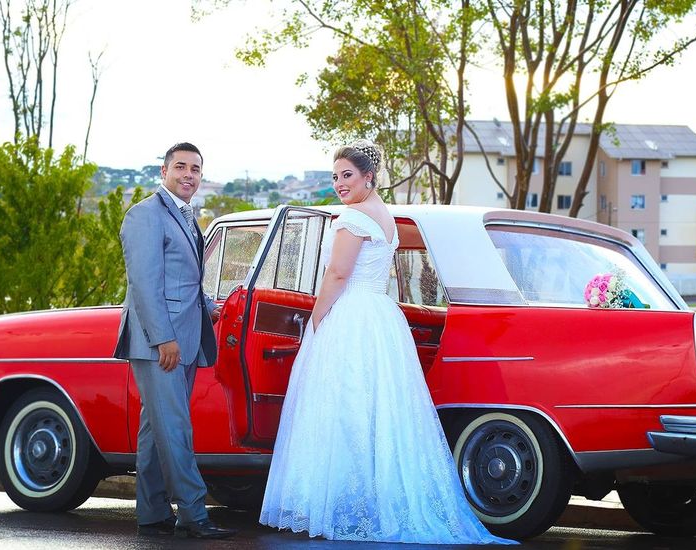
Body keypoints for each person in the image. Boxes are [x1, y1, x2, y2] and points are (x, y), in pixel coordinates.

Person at [259, 140, 515, 544]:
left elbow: (337, 276)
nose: (340, 183)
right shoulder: (386, 217)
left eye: (347, 175)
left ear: (368, 177)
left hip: (351, 314)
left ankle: (344, 502)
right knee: (380, 411)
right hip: (380, 314)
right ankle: (376, 498)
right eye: (335, 176)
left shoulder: (352, 218)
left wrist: (317, 318)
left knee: (344, 409)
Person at [113, 142, 236, 540]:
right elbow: (145, 284)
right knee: (177, 428)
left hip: (184, 336)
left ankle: (151, 513)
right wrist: (164, 339)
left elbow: (183, 278)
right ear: (163, 171)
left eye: (196, 169)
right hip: (160, 343)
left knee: (156, 429)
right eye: (180, 167)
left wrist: (208, 306)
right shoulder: (145, 215)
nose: (189, 174)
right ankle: (194, 515)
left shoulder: (185, 215)